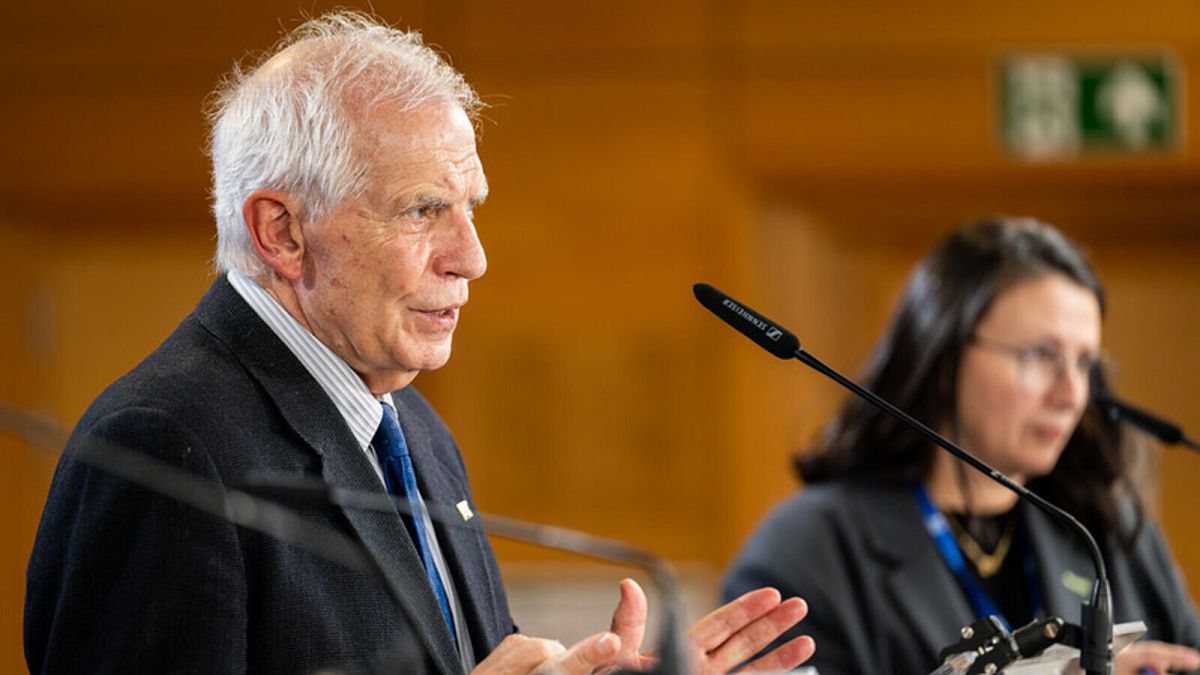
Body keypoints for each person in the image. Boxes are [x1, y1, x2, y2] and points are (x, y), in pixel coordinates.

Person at [24, 12, 815, 675]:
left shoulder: (410, 427)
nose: (471, 256)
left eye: (469, 207)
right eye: (421, 210)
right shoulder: (165, 447)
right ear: (282, 232)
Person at [722, 218, 1200, 675]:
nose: (1072, 396)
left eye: (1084, 364)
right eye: (1040, 355)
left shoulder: (1108, 531)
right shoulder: (809, 548)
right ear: (945, 358)